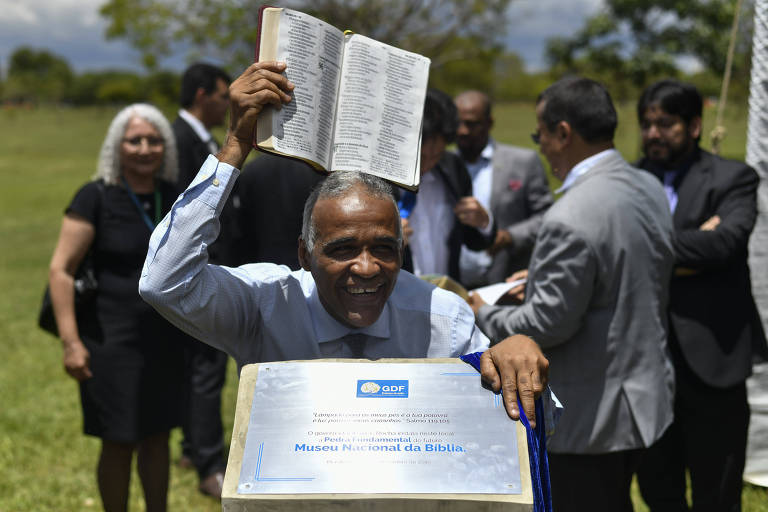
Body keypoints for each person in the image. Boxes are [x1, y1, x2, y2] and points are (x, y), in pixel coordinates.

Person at [139, 61, 550, 426]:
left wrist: (514, 356)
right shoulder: (266, 304)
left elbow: (526, 423)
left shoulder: (441, 317)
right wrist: (234, 147)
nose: (367, 268)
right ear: (304, 254)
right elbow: (165, 281)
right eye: (342, 249)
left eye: (385, 249)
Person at [469, 77, 676, 511]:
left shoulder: (569, 215)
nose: (540, 146)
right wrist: (543, 275)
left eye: (539, 135)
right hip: (646, 398)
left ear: (563, 133)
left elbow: (548, 323)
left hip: (592, 415)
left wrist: (484, 310)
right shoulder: (648, 186)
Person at [634, 79, 768, 512]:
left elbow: (725, 244)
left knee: (718, 492)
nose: (653, 134)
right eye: (647, 124)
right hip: (646, 363)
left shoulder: (733, 177)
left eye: (666, 124)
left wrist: (646, 247)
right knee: (658, 488)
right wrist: (691, 246)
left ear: (694, 125)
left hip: (715, 360)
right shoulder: (630, 181)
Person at [48, 103, 186, 512]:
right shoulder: (95, 196)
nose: (145, 148)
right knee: (120, 438)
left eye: (154, 140)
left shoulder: (175, 195)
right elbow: (61, 270)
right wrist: (71, 342)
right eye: (134, 140)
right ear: (116, 146)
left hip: (164, 339)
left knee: (159, 435)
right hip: (110, 341)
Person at [172, 62, 232, 498]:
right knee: (207, 369)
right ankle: (209, 464)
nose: (226, 103)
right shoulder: (180, 140)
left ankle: (193, 445)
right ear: (199, 95)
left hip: (204, 267)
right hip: (195, 271)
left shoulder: (197, 137)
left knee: (197, 367)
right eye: (221, 95)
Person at [454, 90, 553, 288]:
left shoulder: (522, 162)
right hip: (453, 285)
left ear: (489, 123)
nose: (462, 131)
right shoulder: (441, 167)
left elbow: (548, 217)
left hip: (505, 283)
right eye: (457, 123)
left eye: (471, 124)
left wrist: (509, 236)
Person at [402, 89, 495, 286]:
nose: (426, 166)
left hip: (446, 297)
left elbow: (475, 240)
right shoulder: (375, 180)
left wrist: (483, 221)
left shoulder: (452, 168)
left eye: (435, 156)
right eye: (420, 157)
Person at [232, 153, 323, 268]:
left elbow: (242, 225)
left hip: (263, 266)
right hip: (309, 264)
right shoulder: (318, 168)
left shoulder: (253, 168)